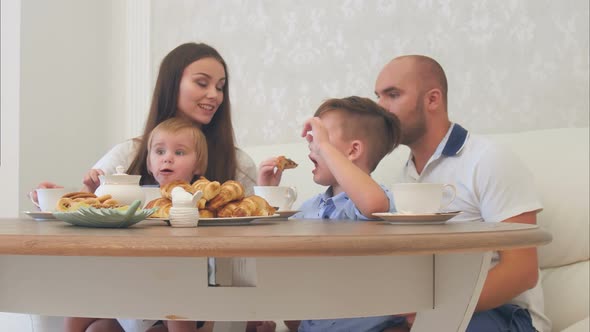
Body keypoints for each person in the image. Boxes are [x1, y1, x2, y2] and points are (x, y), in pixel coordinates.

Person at [33, 42, 257, 332]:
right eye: (202, 83)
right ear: (171, 84)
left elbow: (247, 260)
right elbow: (87, 210)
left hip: (206, 282)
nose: (214, 95)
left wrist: (249, 312)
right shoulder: (128, 154)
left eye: (220, 86)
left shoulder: (238, 164)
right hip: (131, 276)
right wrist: (58, 199)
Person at [374, 55, 551, 332]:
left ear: (432, 100)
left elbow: (522, 271)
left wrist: (432, 310)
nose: (381, 109)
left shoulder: (489, 160)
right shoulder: (404, 176)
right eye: (378, 97)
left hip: (507, 315)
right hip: (438, 312)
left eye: (393, 95)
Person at [260, 96, 404, 332]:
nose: (311, 142)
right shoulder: (308, 208)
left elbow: (373, 205)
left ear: (353, 150)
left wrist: (325, 147)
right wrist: (268, 194)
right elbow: (271, 248)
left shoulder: (374, 200)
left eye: (322, 135)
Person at [65, 117, 210, 332]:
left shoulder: (199, 198)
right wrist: (90, 191)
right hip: (132, 285)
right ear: (150, 163)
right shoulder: (134, 196)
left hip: (180, 288)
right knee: (84, 314)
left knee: (178, 304)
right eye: (160, 152)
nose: (167, 159)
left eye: (179, 153)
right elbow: (98, 217)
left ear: (198, 163)